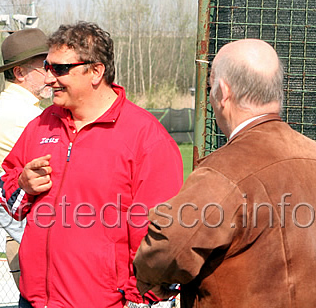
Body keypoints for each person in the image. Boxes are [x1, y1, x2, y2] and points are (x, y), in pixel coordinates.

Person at [0, 21, 183, 308]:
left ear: (96, 71)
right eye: (47, 67)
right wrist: (23, 185)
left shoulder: (145, 138)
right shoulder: (41, 125)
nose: (49, 78)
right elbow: (8, 197)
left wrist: (138, 300)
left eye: (60, 69)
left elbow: (161, 235)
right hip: (34, 300)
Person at [133, 39, 316, 307]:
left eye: (210, 87)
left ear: (223, 92)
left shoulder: (223, 171)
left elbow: (167, 250)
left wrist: (152, 280)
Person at [0, 28, 52, 288]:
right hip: (32, 236)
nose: (51, 74)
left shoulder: (23, 107)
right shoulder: (21, 113)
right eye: (44, 67)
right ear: (20, 73)